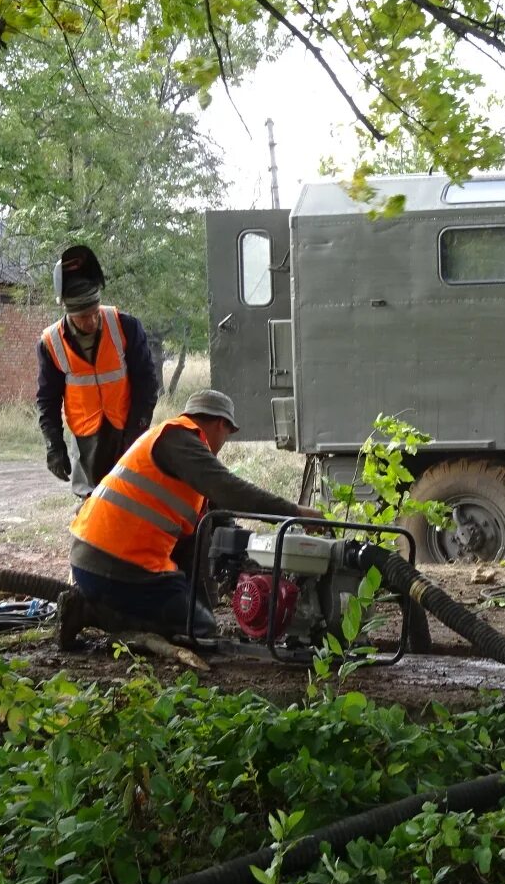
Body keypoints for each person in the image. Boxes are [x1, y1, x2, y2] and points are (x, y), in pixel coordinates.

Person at [69, 389, 324, 646]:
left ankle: (103, 606)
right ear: (221, 424)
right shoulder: (180, 440)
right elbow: (230, 490)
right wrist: (295, 513)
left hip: (97, 559)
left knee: (197, 618)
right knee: (199, 629)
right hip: (117, 567)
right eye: (227, 434)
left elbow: (207, 528)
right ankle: (92, 613)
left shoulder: (171, 445)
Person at [37, 244, 160, 497]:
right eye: (82, 317)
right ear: (68, 312)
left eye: (94, 313)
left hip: (126, 427)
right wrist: (54, 445)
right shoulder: (51, 343)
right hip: (85, 439)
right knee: (90, 504)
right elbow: (47, 401)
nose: (91, 321)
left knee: (131, 497)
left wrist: (136, 431)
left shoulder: (125, 327)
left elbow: (147, 384)